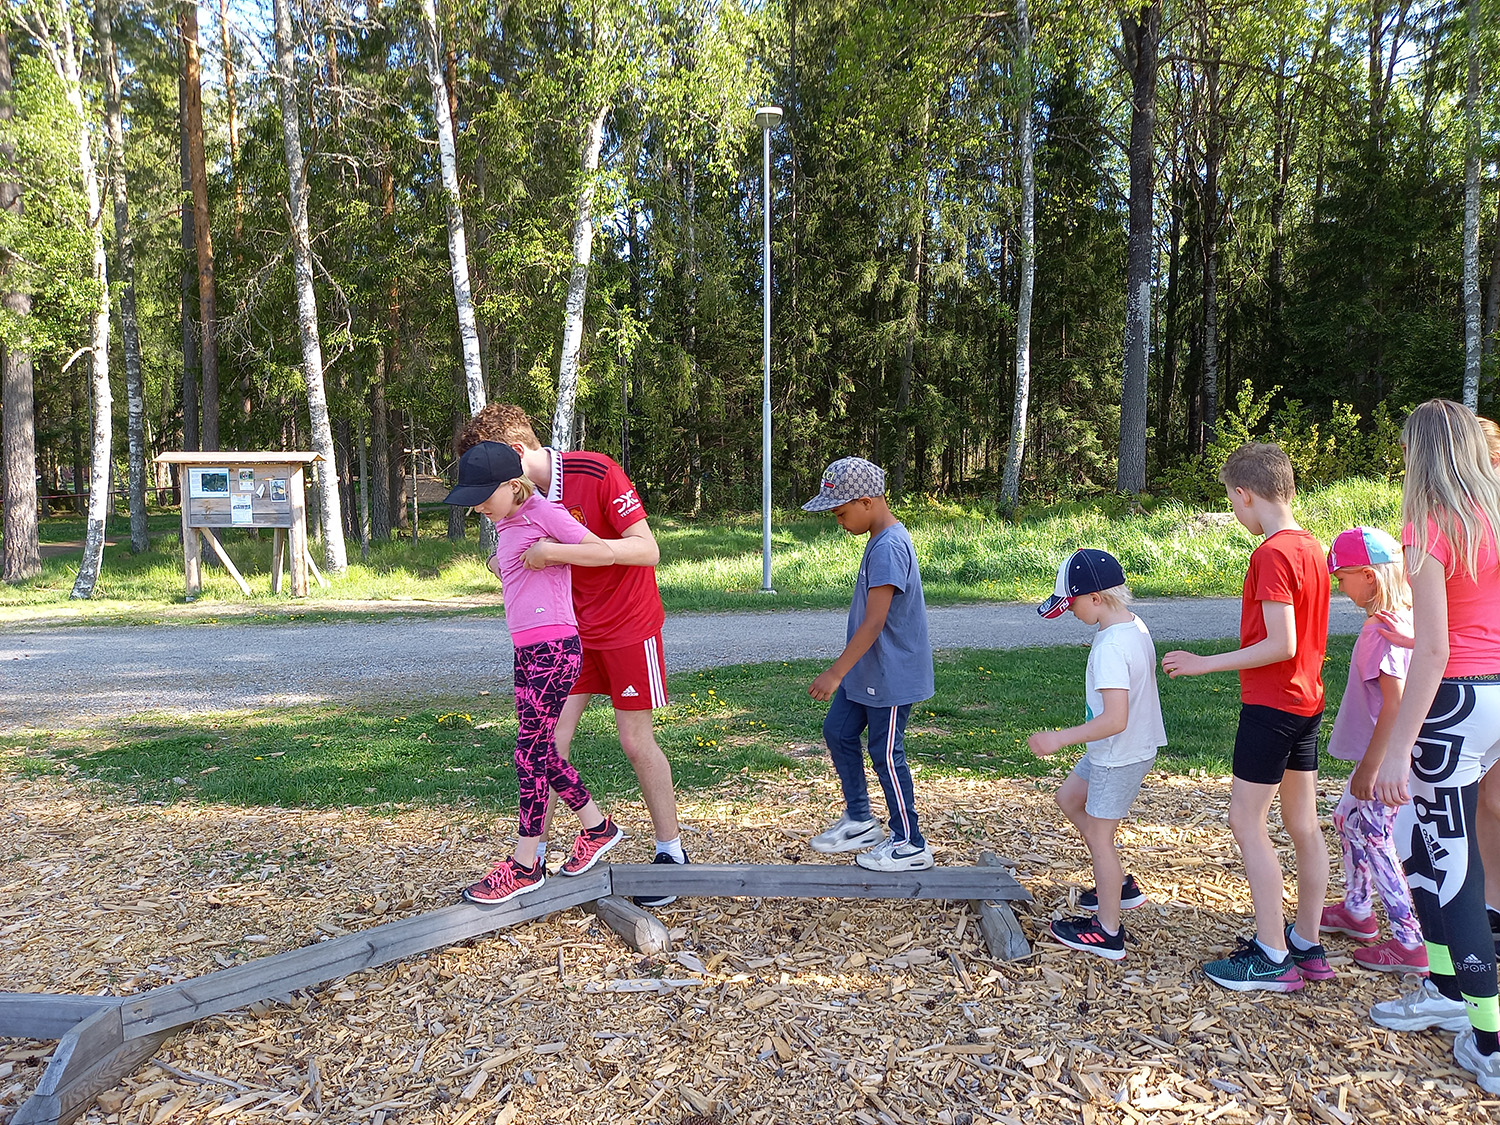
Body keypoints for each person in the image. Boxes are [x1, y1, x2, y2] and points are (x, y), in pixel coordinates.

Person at [455, 405, 686, 908]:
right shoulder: (518, 507)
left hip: (627, 625)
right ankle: (535, 855)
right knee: (545, 744)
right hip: (568, 633)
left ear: (513, 459)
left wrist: (555, 553)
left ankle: (670, 852)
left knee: (634, 741)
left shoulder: (595, 471)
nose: (478, 503)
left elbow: (646, 551)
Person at [1161, 442, 1331, 992]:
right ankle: (1306, 941)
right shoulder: (1312, 546)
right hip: (1306, 702)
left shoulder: (1272, 554)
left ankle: (1271, 952)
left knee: (1245, 820)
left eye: (1232, 503)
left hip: (1273, 706)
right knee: (1302, 825)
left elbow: (1280, 643)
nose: (1236, 514)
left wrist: (1204, 662)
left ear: (1244, 493)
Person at [1367, 400, 1500, 1093]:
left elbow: (1437, 648)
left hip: (1457, 702)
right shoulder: (1496, 514)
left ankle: (1490, 1039)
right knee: (1429, 846)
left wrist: (1398, 747)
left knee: (1455, 871)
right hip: (1497, 697)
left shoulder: (1429, 525)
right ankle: (1449, 989)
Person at [443, 442, 625, 903]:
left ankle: (526, 864)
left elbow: (603, 553)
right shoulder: (507, 522)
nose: (480, 508)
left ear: (512, 485)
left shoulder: (544, 512)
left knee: (528, 754)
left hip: (554, 648)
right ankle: (597, 827)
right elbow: (515, 568)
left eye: (485, 497)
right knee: (540, 752)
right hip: (528, 649)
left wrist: (550, 551)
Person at [1028, 549, 1167, 961]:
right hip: (1118, 750)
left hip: (1117, 754)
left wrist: (1059, 738)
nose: (1070, 613)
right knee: (1069, 798)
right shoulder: (1134, 626)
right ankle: (1119, 885)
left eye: (1071, 604)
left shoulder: (1110, 647)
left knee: (1100, 839)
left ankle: (1107, 932)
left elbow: (1114, 719)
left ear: (1094, 598)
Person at [802, 456, 936, 872]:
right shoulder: (879, 541)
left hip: (891, 677)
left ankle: (911, 842)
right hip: (869, 672)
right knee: (838, 731)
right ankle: (860, 819)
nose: (839, 521)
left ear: (867, 502)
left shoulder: (890, 547)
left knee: (885, 753)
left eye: (841, 513)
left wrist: (836, 670)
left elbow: (876, 621)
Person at [1319, 527, 1425, 972]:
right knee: (1346, 818)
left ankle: (1409, 940)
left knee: (1376, 836)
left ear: (1368, 576)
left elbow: (1395, 705)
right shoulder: (1396, 621)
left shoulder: (1385, 632)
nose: (1340, 588)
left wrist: (1372, 767)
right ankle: (1358, 909)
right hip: (1376, 758)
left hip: (1383, 762)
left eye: (1342, 578)